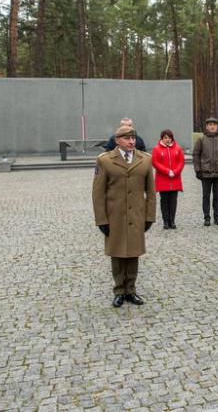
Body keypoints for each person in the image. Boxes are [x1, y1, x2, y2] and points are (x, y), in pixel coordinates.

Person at [92, 125, 156, 308]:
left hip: (136, 215)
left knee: (133, 253)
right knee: (118, 254)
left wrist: (149, 216)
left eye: (133, 138)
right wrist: (101, 220)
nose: (131, 141)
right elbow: (98, 194)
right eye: (127, 138)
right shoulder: (105, 161)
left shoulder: (144, 160)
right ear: (118, 140)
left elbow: (151, 191)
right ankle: (119, 290)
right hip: (115, 216)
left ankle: (131, 289)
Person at [193, 116, 218, 227]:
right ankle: (207, 217)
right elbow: (196, 154)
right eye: (210, 125)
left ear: (217, 126)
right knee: (206, 196)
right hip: (206, 173)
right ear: (207, 126)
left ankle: (217, 217)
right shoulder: (201, 139)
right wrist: (198, 169)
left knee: (217, 196)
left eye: (214, 125)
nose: (212, 127)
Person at [152, 129, 185, 230]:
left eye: (169, 137)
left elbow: (181, 162)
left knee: (173, 201)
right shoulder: (157, 149)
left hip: (175, 179)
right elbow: (155, 162)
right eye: (165, 137)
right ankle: (165, 221)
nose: (167, 139)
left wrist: (175, 171)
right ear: (162, 138)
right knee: (164, 201)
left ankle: (172, 220)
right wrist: (167, 171)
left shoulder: (178, 149)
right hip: (163, 179)